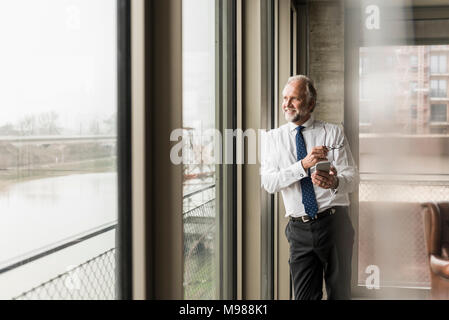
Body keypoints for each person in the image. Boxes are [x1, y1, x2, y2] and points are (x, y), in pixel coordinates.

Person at [260, 75, 358, 300]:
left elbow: (353, 178)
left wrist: (335, 182)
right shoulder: (272, 139)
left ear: (310, 103)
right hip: (299, 230)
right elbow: (269, 183)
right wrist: (303, 166)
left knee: (340, 294)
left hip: (335, 224)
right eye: (285, 98)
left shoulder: (332, 132)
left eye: (294, 98)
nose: (287, 104)